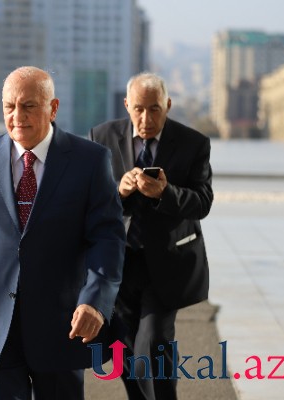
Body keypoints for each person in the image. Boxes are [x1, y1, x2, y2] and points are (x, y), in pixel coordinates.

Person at [0, 66, 126, 400]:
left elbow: (107, 240)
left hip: (62, 325)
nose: (17, 116)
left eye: (28, 106)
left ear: (53, 108)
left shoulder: (90, 160)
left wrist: (95, 302)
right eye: (9, 107)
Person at [89, 72, 213, 400]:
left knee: (154, 341)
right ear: (127, 105)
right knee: (124, 346)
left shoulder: (193, 143)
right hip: (119, 263)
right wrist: (118, 190)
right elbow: (88, 202)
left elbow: (203, 202)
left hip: (167, 263)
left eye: (155, 109)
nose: (146, 119)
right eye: (139, 109)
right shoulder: (100, 137)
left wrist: (165, 193)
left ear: (168, 105)